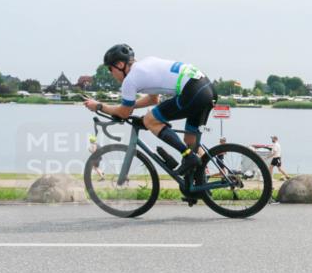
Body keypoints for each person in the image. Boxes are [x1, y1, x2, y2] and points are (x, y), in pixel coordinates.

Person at [84, 44, 216, 179]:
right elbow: (153, 99)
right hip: (206, 89)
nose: (111, 74)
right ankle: (203, 181)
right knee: (190, 140)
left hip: (193, 92)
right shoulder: (146, 64)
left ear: (120, 64)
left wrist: (99, 106)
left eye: (110, 69)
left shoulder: (130, 80)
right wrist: (129, 107)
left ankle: (188, 157)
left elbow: (123, 113)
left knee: (149, 120)